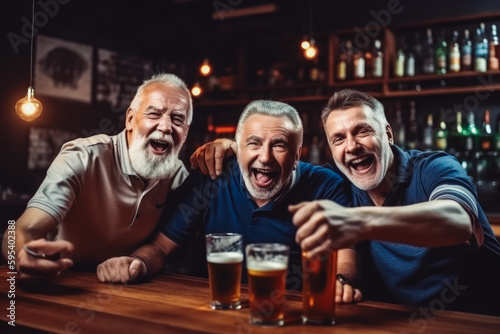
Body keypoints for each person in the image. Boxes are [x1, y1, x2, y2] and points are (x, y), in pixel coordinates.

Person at [97, 100, 362, 304]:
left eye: (279, 145)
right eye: (253, 143)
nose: (265, 157)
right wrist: (136, 264)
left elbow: (346, 249)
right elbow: (160, 248)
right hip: (217, 312)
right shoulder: (213, 178)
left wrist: (339, 281)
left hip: (288, 318)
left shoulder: (325, 186)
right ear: (237, 148)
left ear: (296, 156)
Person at [291, 89, 500, 314]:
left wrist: (360, 222)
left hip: (477, 319)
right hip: (398, 321)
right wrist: (342, 280)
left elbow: (458, 222)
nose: (351, 146)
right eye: (338, 139)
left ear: (388, 134)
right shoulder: (338, 183)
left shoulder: (435, 167)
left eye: (362, 131)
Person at [2, 73, 192, 280]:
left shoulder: (176, 175)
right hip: (62, 282)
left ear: (185, 133)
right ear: (130, 119)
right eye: (154, 114)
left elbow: (165, 247)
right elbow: (22, 229)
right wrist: (21, 256)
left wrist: (225, 148)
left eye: (177, 119)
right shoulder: (83, 157)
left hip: (126, 288)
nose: (165, 127)